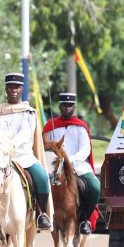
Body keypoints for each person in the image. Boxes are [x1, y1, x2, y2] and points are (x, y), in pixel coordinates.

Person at [0, 73, 52, 230]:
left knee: (43, 178)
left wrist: (8, 147)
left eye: (17, 87)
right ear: (6, 88)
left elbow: (25, 134)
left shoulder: (28, 112)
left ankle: (41, 214)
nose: (13, 90)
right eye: (10, 86)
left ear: (22, 89)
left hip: (23, 158)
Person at [42, 93, 100, 235]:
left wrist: (69, 160)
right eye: (64, 105)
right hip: (54, 166)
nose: (67, 108)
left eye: (70, 106)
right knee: (40, 183)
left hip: (78, 165)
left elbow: (85, 149)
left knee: (95, 186)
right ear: (60, 106)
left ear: (74, 107)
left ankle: (85, 219)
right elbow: (44, 147)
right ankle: (42, 215)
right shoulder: (50, 126)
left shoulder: (81, 126)